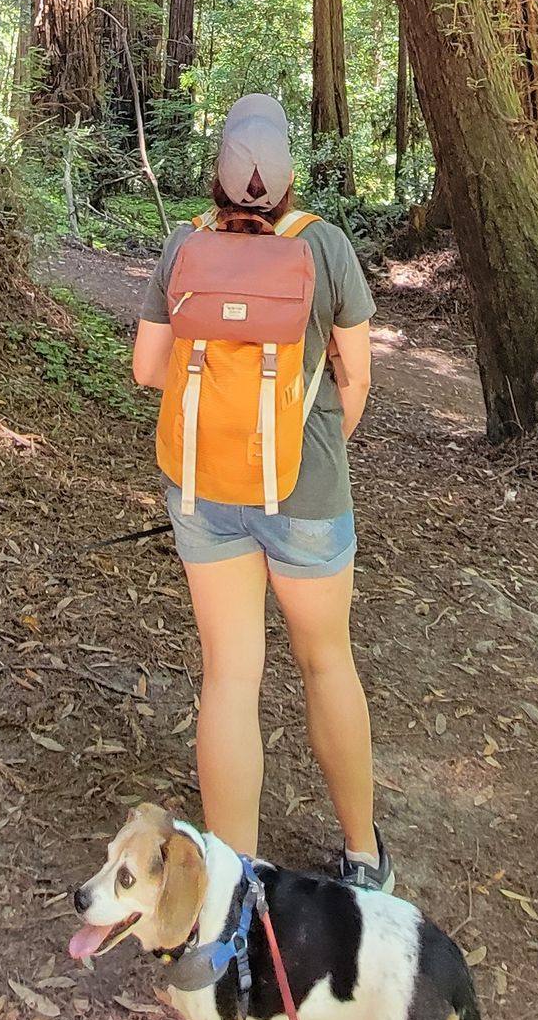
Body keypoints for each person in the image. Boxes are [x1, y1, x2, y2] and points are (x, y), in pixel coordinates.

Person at [132, 93, 392, 893]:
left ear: (217, 171)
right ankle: (363, 858)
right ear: (288, 175)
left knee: (230, 676)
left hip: (205, 492)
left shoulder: (185, 244)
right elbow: (357, 381)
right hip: (306, 492)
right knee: (327, 661)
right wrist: (311, 446)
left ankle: (234, 882)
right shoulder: (327, 247)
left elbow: (148, 369)